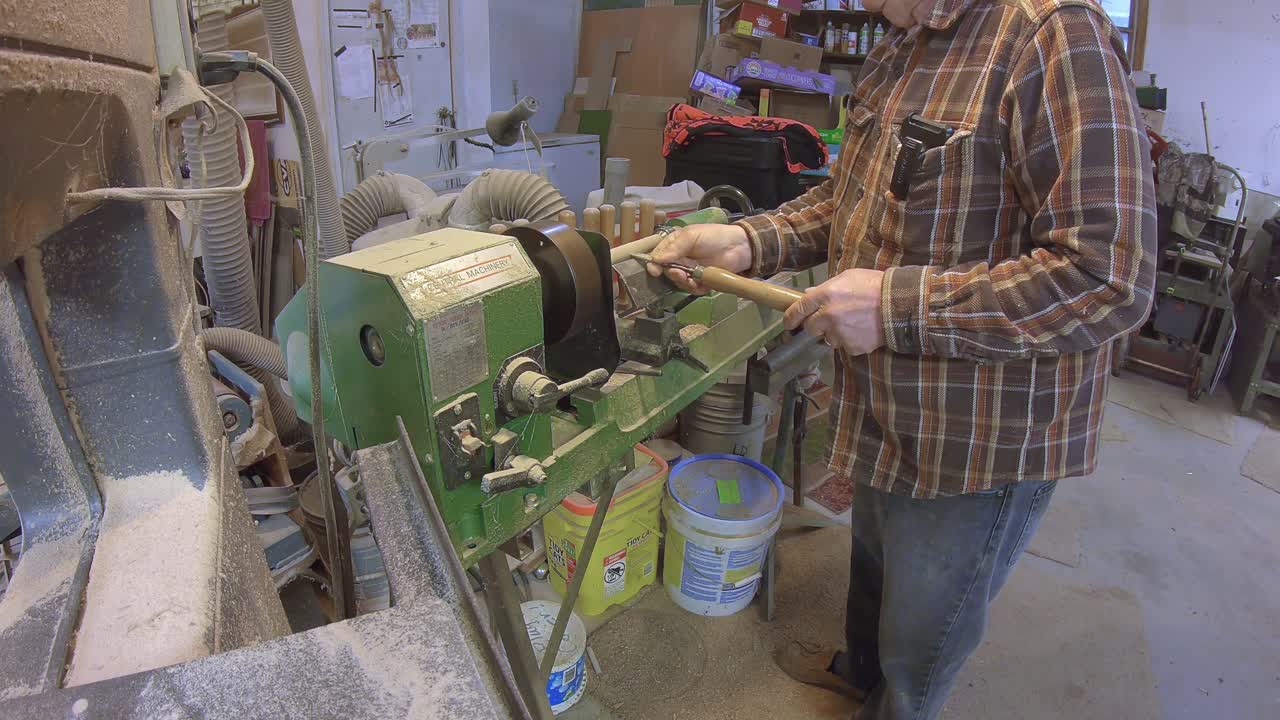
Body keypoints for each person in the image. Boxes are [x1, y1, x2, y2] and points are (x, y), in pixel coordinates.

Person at [648, 0, 1156, 717]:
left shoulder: (1053, 35)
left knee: (924, 631)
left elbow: (1110, 276)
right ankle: (861, 673)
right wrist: (747, 241)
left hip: (979, 441)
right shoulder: (902, 38)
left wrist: (894, 307)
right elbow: (847, 201)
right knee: (877, 568)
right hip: (889, 405)